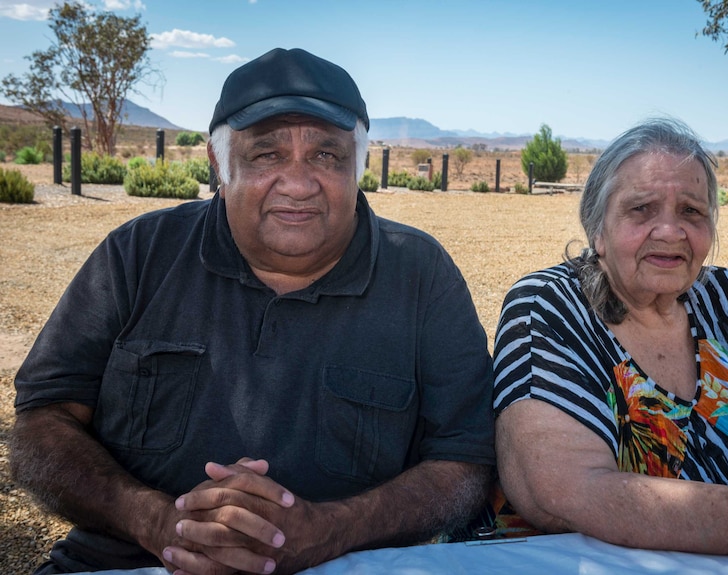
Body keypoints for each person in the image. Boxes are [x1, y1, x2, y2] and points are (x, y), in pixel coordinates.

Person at [11, 47, 495, 575]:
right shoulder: (138, 254)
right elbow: (43, 421)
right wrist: (153, 521)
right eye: (266, 155)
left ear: (359, 166)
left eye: (327, 156)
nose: (298, 183)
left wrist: (332, 531)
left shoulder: (421, 274)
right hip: (121, 563)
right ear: (219, 165)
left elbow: (466, 462)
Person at [492, 117, 728, 567]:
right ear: (598, 229)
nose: (670, 231)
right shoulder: (549, 306)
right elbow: (566, 492)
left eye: (691, 211)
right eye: (641, 209)